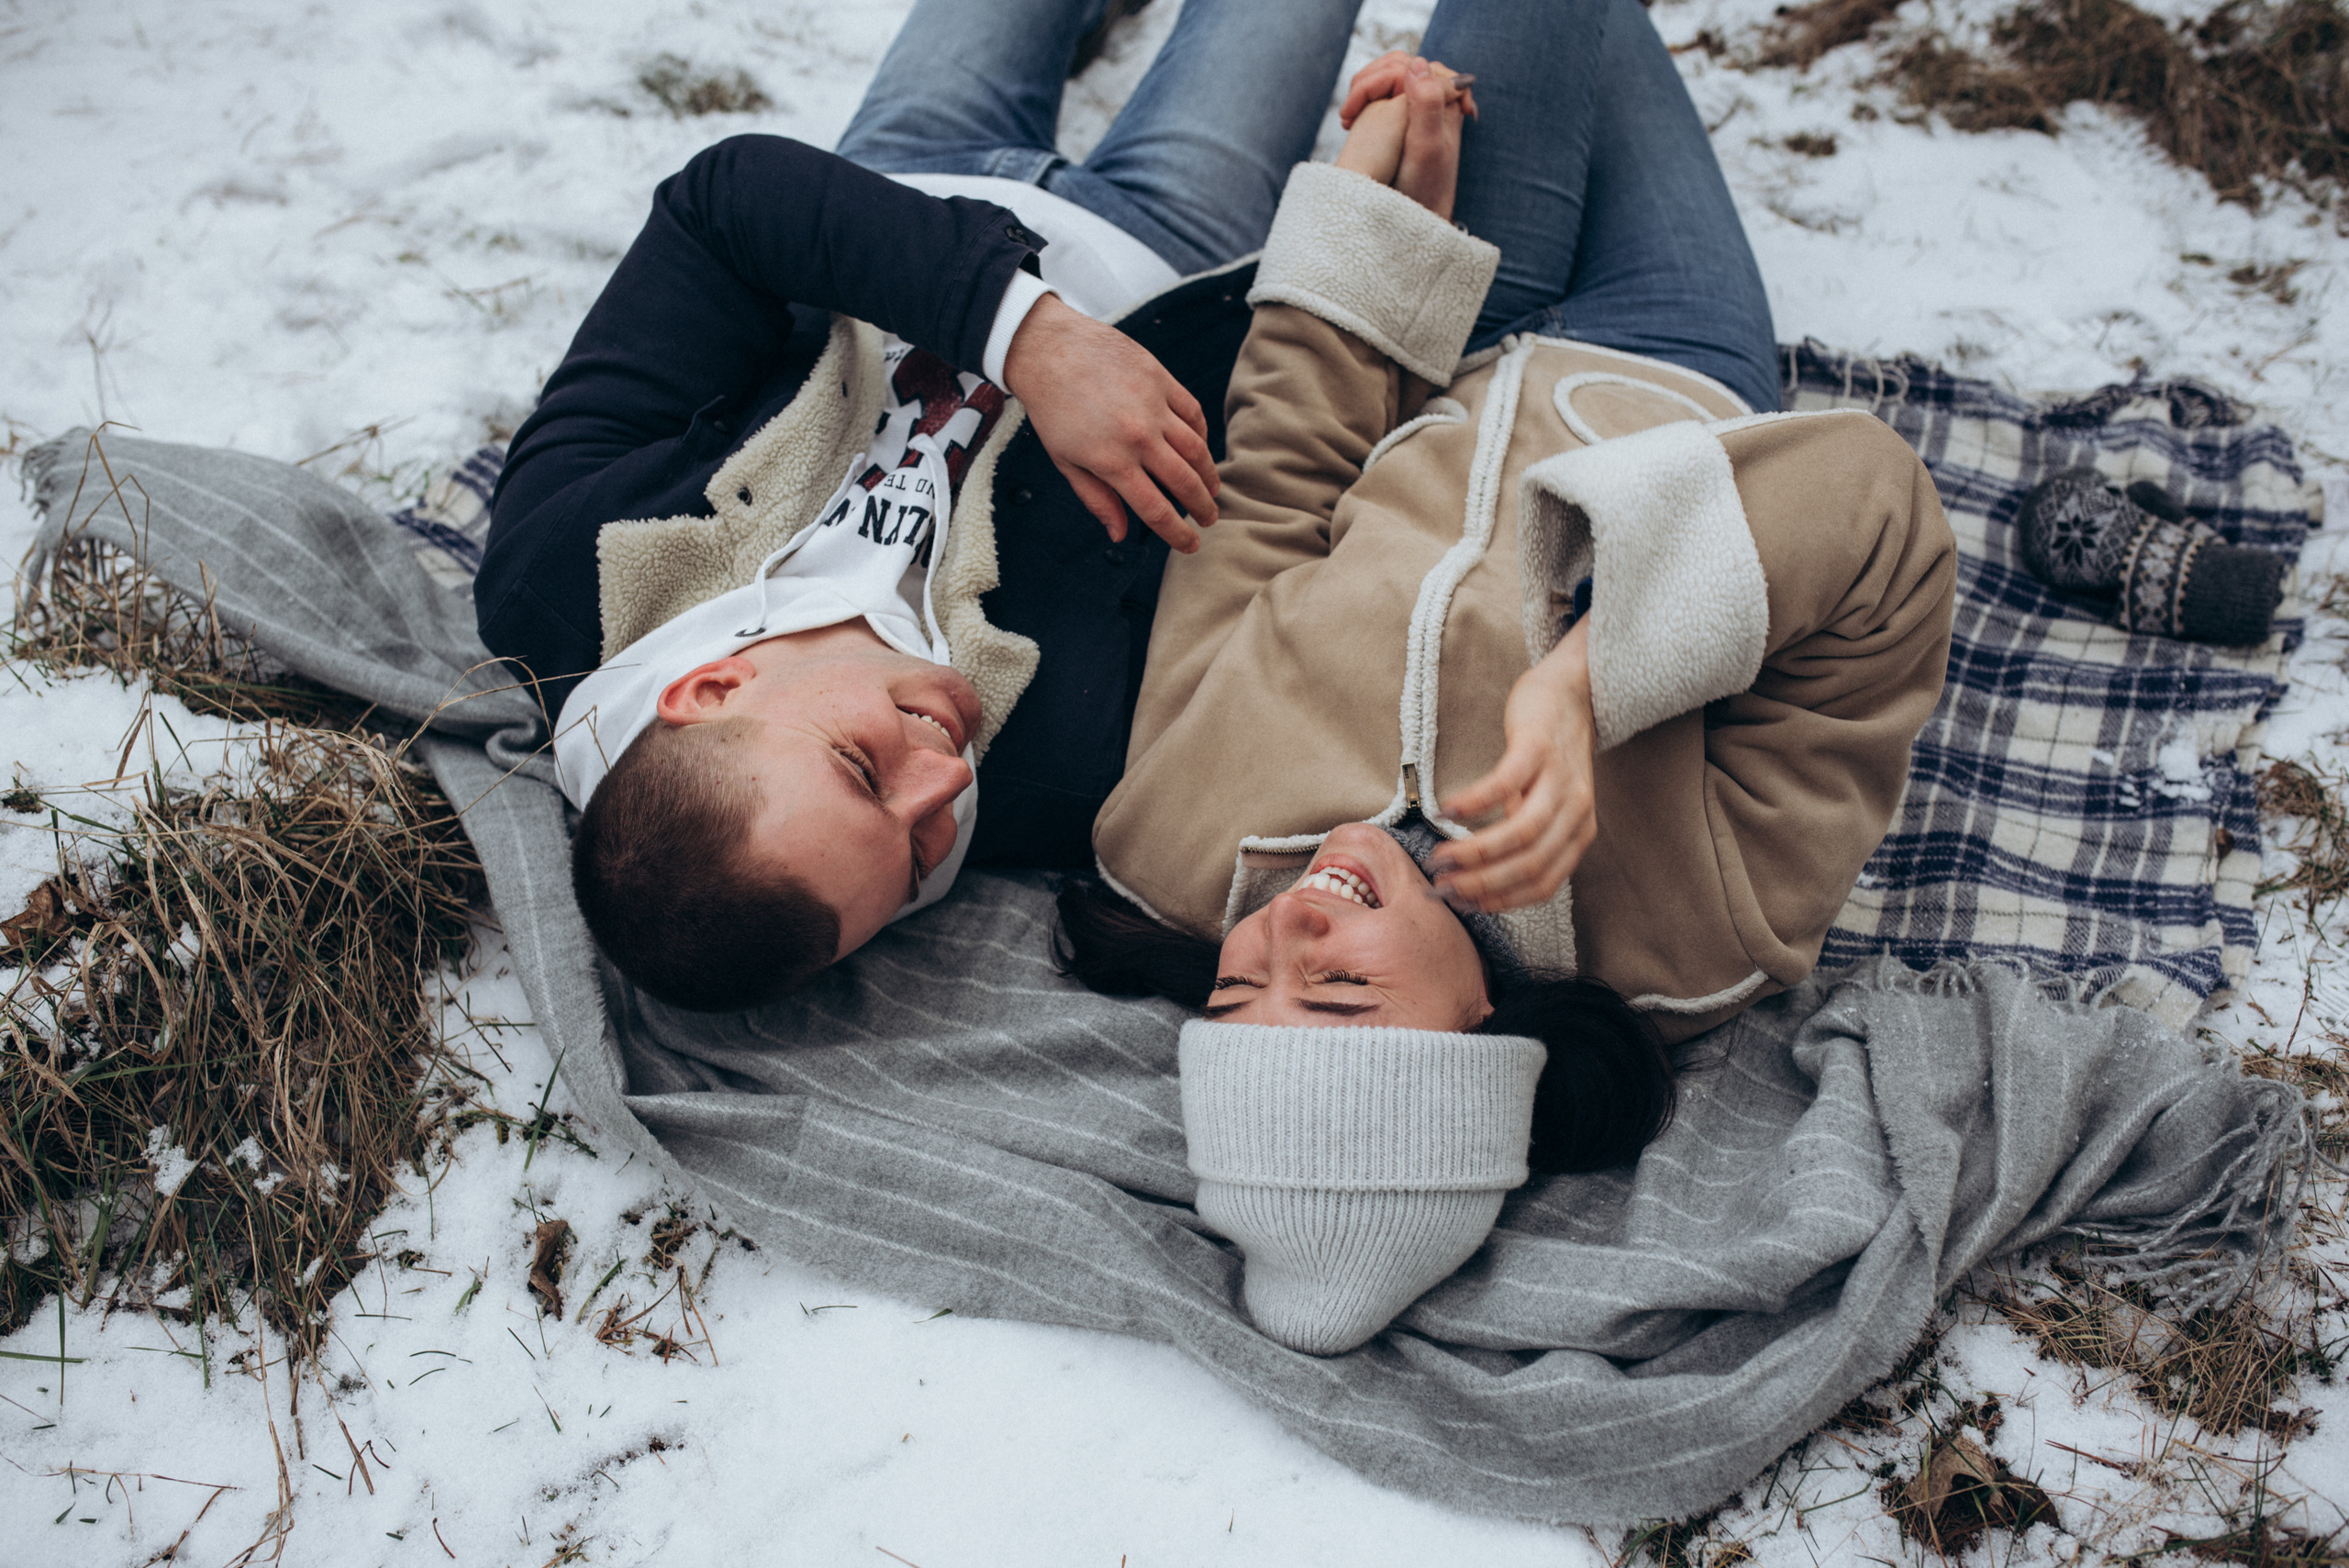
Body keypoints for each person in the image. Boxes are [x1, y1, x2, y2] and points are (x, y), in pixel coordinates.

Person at [1056, 8, 1957, 1350]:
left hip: (1443, 323)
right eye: (1346, 991)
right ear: (1487, 1029)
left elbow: (1276, 490)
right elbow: (1877, 516)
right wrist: (1599, 670)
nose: (1286, 939)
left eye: (1240, 995)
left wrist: (1372, 231)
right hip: (1673, 366)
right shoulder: (1702, 938)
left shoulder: (1168, 843)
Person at [476, 0, 1367, 1009]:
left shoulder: (560, 569)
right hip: (1163, 239)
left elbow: (722, 208)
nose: (942, 782)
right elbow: (1270, 504)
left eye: (862, 769)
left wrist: (1031, 340)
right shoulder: (1060, 772)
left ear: (710, 690)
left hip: (896, 178)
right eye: (915, 860)